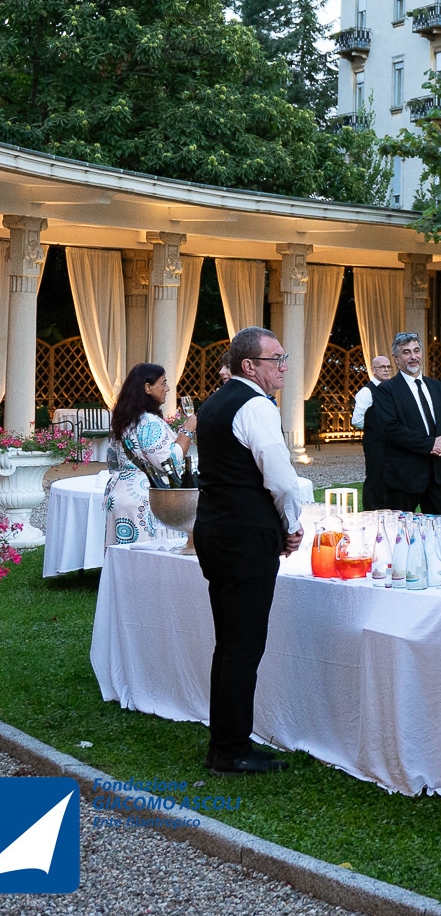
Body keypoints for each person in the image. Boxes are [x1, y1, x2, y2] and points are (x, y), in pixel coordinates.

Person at [192, 327, 310, 774]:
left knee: (229, 643)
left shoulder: (213, 402)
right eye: (276, 359)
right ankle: (232, 750)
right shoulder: (256, 406)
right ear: (249, 366)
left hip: (215, 530)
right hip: (244, 537)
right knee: (242, 645)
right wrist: (292, 525)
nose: (283, 367)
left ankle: (223, 742)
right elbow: (281, 480)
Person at [368, 331, 441, 514]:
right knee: (399, 529)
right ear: (396, 358)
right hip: (403, 478)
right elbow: (391, 429)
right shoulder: (386, 390)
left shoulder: (436, 386)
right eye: (406, 352)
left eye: (416, 350)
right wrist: (431, 444)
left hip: (436, 476)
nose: (413, 356)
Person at [105, 362, 192, 548]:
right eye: (163, 383)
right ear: (147, 387)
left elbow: (112, 459)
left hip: (120, 495)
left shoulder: (125, 419)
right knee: (148, 557)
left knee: (123, 555)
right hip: (145, 500)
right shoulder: (149, 422)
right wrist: (187, 431)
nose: (167, 388)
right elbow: (169, 462)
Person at [351, 353, 393, 510]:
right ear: (374, 370)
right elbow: (356, 420)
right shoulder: (366, 392)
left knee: (390, 475)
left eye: (388, 367)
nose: (386, 370)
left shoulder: (391, 389)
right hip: (374, 441)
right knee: (375, 476)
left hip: (391, 441)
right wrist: (375, 426)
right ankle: (370, 511)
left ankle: (387, 509)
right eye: (382, 367)